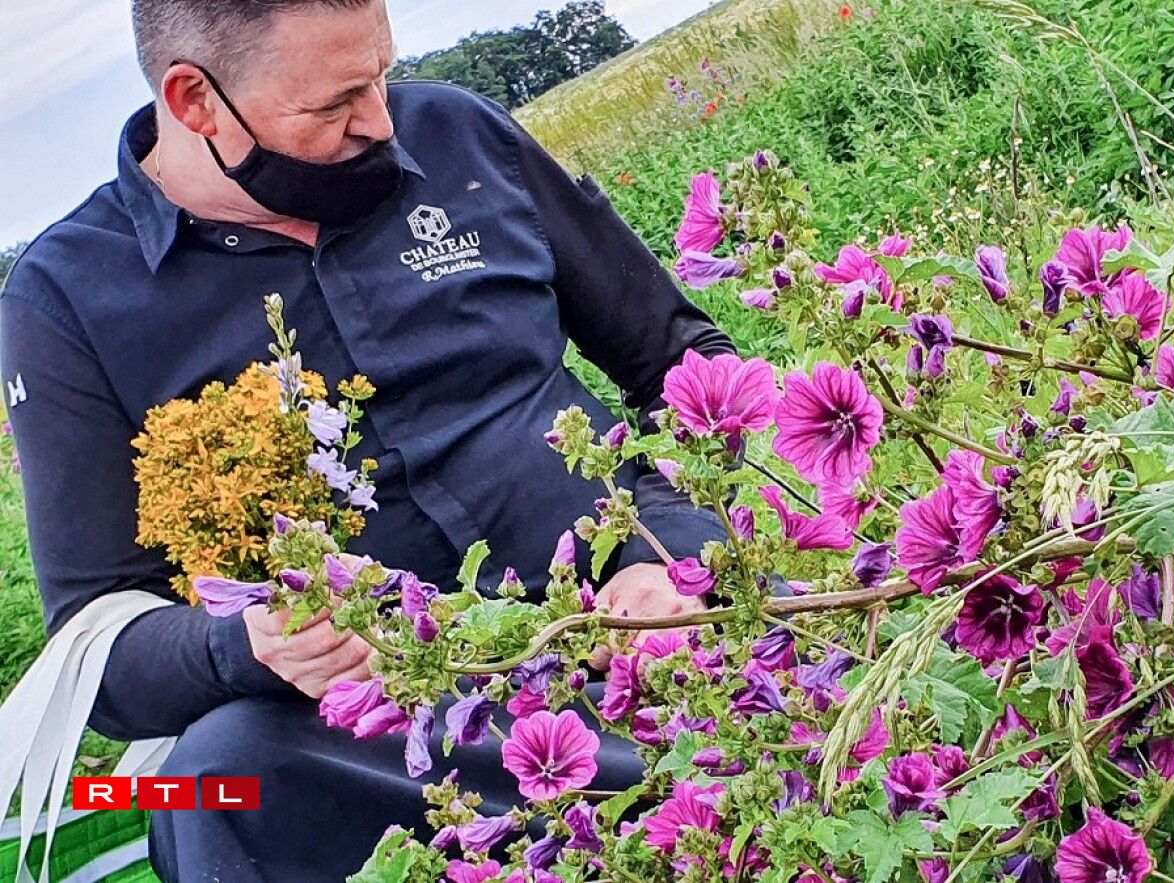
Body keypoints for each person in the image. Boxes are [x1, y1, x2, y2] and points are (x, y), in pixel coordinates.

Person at [0, 1, 731, 879]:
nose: (384, 122)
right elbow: (98, 644)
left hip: (642, 629)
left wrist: (675, 553)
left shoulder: (460, 138)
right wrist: (247, 644)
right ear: (194, 100)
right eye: (335, 103)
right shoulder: (66, 301)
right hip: (392, 738)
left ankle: (672, 795)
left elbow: (683, 362)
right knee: (204, 784)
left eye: (380, 74)